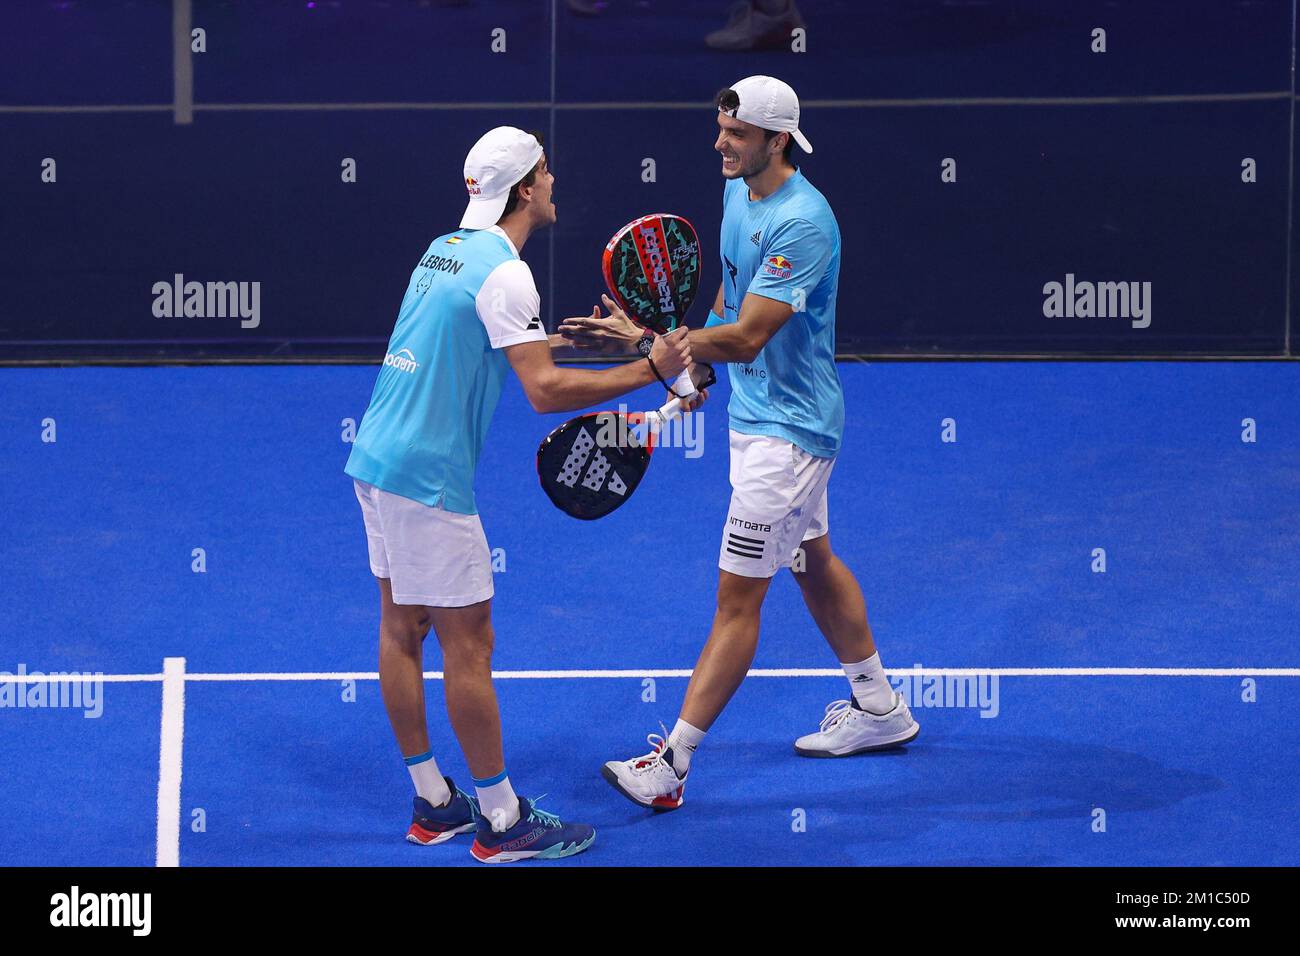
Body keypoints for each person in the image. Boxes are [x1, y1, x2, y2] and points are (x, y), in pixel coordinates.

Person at [563, 77, 919, 813]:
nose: (719, 143)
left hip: (789, 436)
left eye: (735, 134)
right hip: (756, 419)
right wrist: (691, 371)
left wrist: (648, 343)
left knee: (735, 602)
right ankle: (881, 708)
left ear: (776, 140)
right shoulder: (737, 193)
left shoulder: (804, 221)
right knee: (812, 561)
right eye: (719, 128)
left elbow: (755, 330)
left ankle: (672, 766)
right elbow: (729, 303)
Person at [345, 126, 694, 857]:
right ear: (526, 189)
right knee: (470, 645)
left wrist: (624, 346)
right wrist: (654, 371)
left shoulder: (447, 250)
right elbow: (542, 388)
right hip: (428, 479)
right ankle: (502, 823)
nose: (554, 180)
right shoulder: (507, 273)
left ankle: (435, 801)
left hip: (375, 459)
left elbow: (501, 339)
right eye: (546, 171)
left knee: (401, 630)